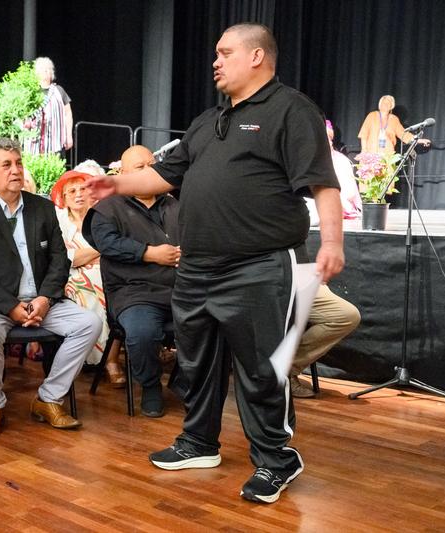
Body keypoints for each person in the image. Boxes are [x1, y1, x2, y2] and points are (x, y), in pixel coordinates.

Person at [87, 23, 344, 504]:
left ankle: (276, 459)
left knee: (264, 368)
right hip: (198, 268)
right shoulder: (209, 121)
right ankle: (200, 442)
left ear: (257, 57)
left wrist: (333, 242)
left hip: (260, 265)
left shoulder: (292, 110)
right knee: (196, 363)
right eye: (215, 54)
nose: (215, 61)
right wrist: (111, 185)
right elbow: (162, 176)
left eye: (225, 53)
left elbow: (322, 183)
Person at [0, 137, 101, 437]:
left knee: (90, 323)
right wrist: (10, 307)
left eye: (18, 163)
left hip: (42, 302)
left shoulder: (42, 208)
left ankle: (48, 399)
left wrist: (45, 298)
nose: (15, 170)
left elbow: (60, 259)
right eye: (6, 165)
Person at [83, 145, 180, 416]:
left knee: (216, 320)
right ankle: (150, 386)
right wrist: (149, 253)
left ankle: (183, 381)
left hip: (178, 289)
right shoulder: (107, 207)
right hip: (133, 294)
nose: (150, 170)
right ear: (122, 173)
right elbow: (107, 243)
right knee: (142, 332)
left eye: (153, 164)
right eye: (140, 167)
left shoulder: (173, 203)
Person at [50, 169, 124, 386]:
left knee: (115, 293)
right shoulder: (59, 222)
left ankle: (111, 360)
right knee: (79, 290)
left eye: (82, 188)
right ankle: (87, 357)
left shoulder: (102, 216)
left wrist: (95, 252)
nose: (78, 194)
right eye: (71, 191)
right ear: (63, 198)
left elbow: (117, 246)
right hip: (72, 274)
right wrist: (102, 248)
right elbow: (68, 258)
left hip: (107, 269)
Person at [22, 57, 73, 157]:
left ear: (51, 73)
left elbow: (68, 113)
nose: (45, 72)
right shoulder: (31, 92)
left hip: (56, 141)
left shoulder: (59, 90)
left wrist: (69, 136)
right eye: (42, 69)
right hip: (34, 142)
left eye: (47, 69)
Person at [357, 95, 430, 154]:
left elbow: (404, 135)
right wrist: (364, 150)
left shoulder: (394, 119)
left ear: (391, 106)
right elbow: (364, 134)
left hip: (387, 155)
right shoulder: (372, 115)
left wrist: (420, 140)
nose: (385, 105)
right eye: (383, 103)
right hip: (370, 154)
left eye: (388, 103)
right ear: (380, 104)